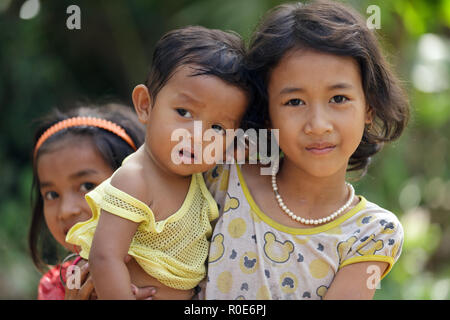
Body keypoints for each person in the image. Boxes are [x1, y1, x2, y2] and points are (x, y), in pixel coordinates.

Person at [200, 0, 410, 300]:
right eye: (295, 102)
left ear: (370, 107)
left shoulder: (372, 233)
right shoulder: (222, 177)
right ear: (267, 112)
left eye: (338, 98)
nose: (318, 125)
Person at [65, 26, 252, 299]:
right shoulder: (136, 178)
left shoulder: (199, 176)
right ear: (145, 105)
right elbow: (105, 257)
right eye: (184, 112)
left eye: (217, 128)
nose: (197, 137)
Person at [29, 102, 149, 299]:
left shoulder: (181, 264)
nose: (66, 211)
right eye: (52, 194)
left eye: (87, 186)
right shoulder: (54, 289)